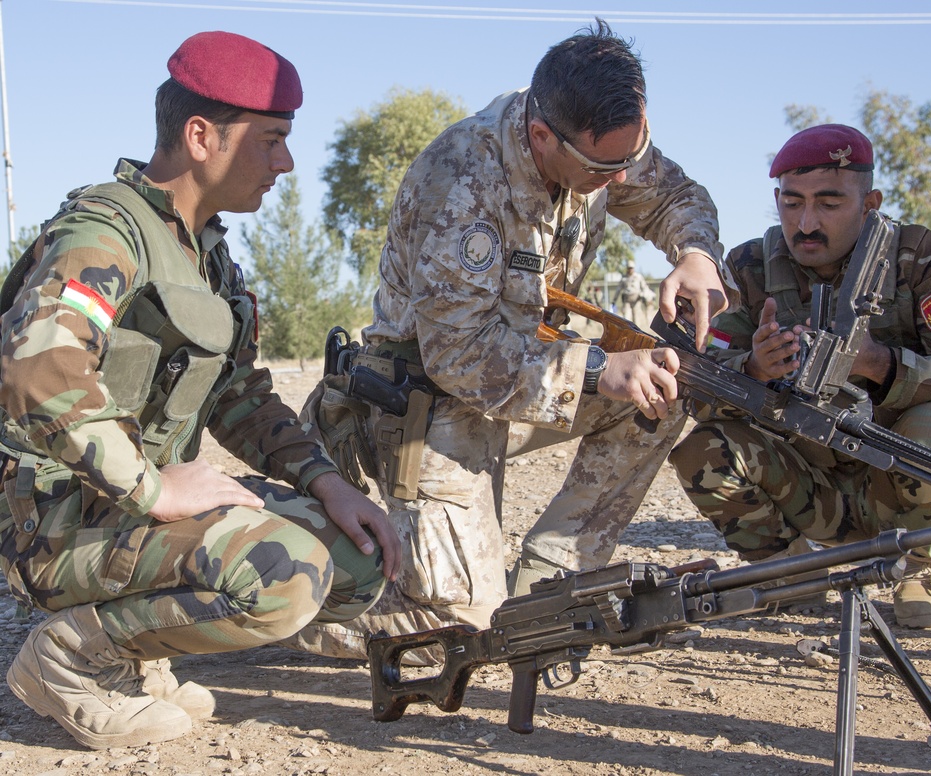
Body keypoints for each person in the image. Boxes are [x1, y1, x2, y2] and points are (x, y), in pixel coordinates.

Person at [286, 19, 735, 663]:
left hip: (524, 377)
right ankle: (299, 609)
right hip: (426, 400)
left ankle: (551, 588)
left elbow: (674, 197)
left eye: (627, 163)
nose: (619, 180)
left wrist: (695, 253)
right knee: (462, 635)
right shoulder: (461, 177)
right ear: (541, 135)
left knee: (665, 391)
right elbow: (457, 354)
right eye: (603, 168)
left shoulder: (600, 146)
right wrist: (597, 370)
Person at [0, 31, 399, 749]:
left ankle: (136, 647)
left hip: (118, 507)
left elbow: (239, 394)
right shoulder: (106, 231)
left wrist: (327, 484)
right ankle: (72, 659)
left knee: (354, 556)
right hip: (50, 522)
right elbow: (37, 367)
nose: (286, 162)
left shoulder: (206, 254)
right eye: (272, 139)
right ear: (200, 136)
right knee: (286, 574)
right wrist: (154, 490)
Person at [670, 124, 931, 628]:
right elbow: (691, 385)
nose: (806, 223)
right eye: (791, 202)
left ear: (870, 203)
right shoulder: (750, 268)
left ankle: (921, 565)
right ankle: (786, 568)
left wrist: (880, 365)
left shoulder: (917, 258)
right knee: (703, 450)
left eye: (829, 203)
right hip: (808, 481)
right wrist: (752, 370)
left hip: (900, 478)